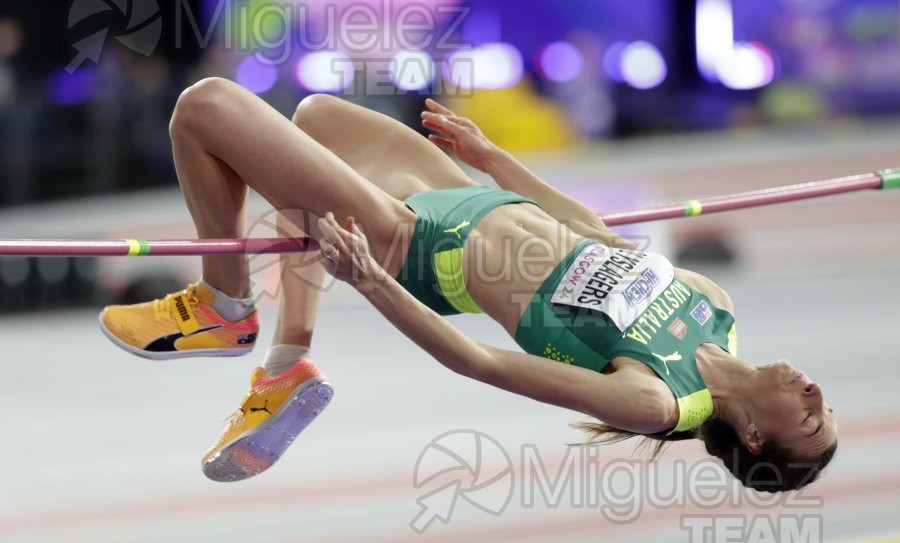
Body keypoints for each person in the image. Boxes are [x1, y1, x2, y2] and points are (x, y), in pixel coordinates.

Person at [98, 77, 837, 491]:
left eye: (808, 419)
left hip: (423, 243)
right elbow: (595, 233)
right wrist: (495, 161)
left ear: (751, 433)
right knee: (315, 117)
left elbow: (477, 362)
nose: (814, 395)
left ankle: (225, 308)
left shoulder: (655, 397)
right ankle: (286, 366)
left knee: (205, 108)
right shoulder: (716, 307)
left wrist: (375, 277)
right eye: (823, 405)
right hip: (467, 196)